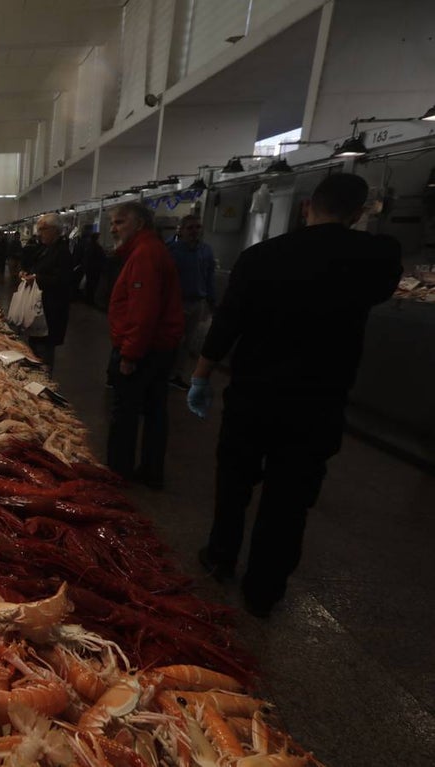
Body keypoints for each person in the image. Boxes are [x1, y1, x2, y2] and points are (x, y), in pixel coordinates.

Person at [187, 173, 402, 617]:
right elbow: (384, 285)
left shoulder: (262, 256)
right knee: (290, 498)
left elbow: (228, 323)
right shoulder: (376, 257)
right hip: (318, 401)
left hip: (254, 394)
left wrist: (202, 374)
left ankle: (221, 556)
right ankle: (264, 588)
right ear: (359, 214)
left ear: (306, 206)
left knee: (234, 481)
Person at [106, 202, 185, 487]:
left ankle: (117, 474)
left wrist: (130, 353)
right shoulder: (149, 250)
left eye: (120, 222)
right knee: (154, 411)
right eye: (113, 223)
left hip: (145, 350)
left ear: (139, 224)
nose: (114, 228)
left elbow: (143, 311)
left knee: (125, 413)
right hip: (159, 347)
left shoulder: (144, 255)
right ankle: (151, 471)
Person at [19, 213, 75, 373]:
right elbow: (37, 268)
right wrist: (27, 273)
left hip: (50, 313)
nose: (39, 232)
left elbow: (63, 281)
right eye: (39, 229)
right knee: (35, 350)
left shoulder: (62, 252)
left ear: (55, 230)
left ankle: (44, 387)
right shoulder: (46, 249)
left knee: (44, 354)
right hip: (39, 311)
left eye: (43, 229)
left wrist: (36, 278)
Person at [167, 214, 216, 388]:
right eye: (190, 228)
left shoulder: (205, 251)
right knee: (173, 339)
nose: (194, 231)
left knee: (189, 342)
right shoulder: (172, 250)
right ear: (181, 230)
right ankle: (164, 371)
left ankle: (176, 374)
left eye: (197, 227)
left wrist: (211, 300)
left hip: (198, 302)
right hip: (177, 302)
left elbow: (209, 277)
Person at [77, 230, 106, 306]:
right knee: (92, 285)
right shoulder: (96, 247)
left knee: (89, 285)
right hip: (94, 269)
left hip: (89, 269)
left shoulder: (89, 246)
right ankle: (90, 300)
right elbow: (101, 257)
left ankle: (88, 299)